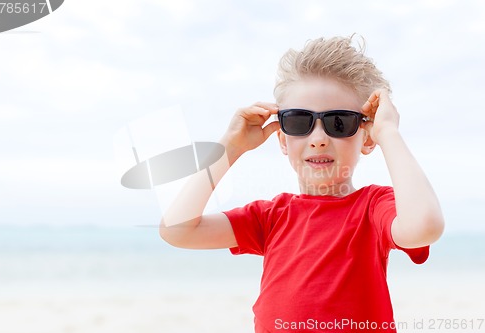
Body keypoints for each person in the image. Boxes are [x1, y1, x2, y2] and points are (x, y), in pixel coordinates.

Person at [159, 36, 445, 332]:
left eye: (339, 123)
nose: (318, 138)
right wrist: (230, 148)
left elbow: (424, 226)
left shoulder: (373, 209)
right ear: (283, 139)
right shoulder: (270, 218)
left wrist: (389, 132)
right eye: (298, 122)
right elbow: (177, 230)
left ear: (367, 138)